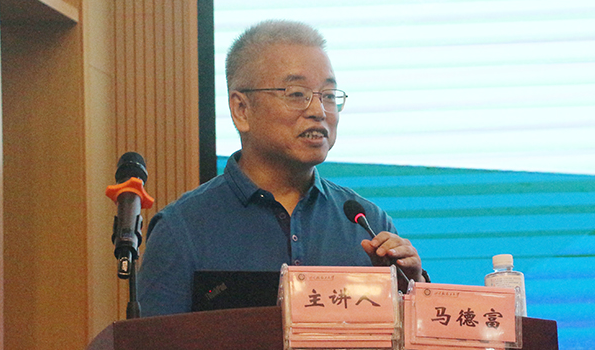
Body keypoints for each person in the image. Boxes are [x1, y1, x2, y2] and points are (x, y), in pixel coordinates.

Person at [137, 20, 426, 316]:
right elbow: (155, 344)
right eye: (297, 94)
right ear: (241, 110)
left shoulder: (368, 225)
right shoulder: (183, 229)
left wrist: (413, 291)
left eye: (329, 95)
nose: (318, 111)